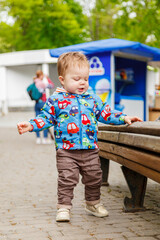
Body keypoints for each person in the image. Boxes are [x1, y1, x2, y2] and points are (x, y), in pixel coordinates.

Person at [17, 52, 142, 222]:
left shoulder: (92, 99)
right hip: (66, 150)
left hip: (90, 149)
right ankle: (63, 207)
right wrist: (31, 125)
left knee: (94, 178)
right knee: (67, 179)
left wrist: (123, 118)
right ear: (62, 79)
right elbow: (45, 118)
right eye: (76, 79)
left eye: (85, 78)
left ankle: (93, 203)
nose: (82, 82)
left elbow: (106, 112)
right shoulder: (56, 100)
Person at [33, 70, 54, 144]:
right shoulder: (42, 83)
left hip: (36, 104)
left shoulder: (34, 82)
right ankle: (45, 139)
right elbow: (51, 85)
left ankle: (38, 138)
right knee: (45, 120)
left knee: (36, 121)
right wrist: (47, 78)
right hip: (43, 103)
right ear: (41, 75)